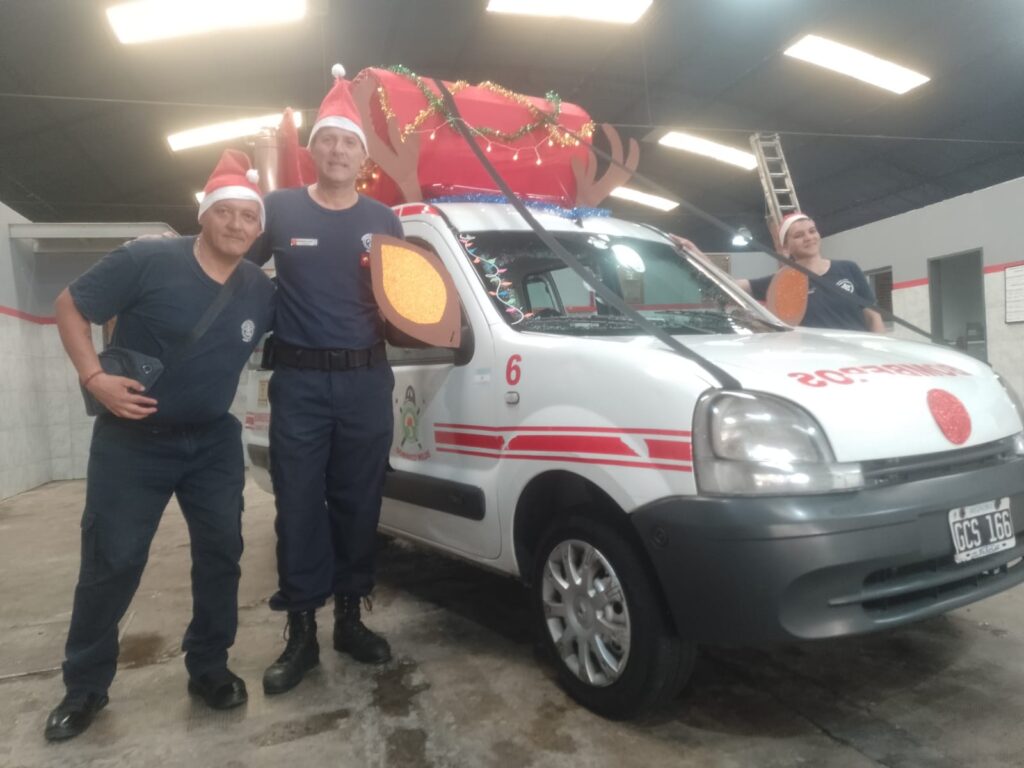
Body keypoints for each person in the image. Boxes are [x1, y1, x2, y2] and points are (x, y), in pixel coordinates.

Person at [44, 150, 275, 742]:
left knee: (222, 553)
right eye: (225, 212)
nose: (236, 224)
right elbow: (70, 304)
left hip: (212, 440)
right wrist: (93, 377)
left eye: (249, 216)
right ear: (204, 214)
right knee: (113, 560)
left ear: (259, 228)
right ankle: (85, 686)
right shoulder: (148, 258)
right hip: (132, 442)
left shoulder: (258, 288)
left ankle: (210, 666)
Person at [249, 65, 403, 696]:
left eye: (349, 142)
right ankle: (302, 633)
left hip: (366, 382)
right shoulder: (279, 209)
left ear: (363, 157)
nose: (338, 151)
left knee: (360, 503)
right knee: (297, 507)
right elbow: (232, 271)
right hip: (300, 385)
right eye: (328, 140)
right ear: (313, 150)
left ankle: (349, 620)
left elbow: (407, 299)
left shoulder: (384, 219)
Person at [676, 213, 885, 333]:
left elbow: (873, 317)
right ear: (786, 247)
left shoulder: (848, 269)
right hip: (818, 364)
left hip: (857, 358)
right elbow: (728, 284)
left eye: (812, 231)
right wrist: (696, 253)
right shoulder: (781, 283)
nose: (809, 237)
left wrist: (882, 351)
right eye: (799, 235)